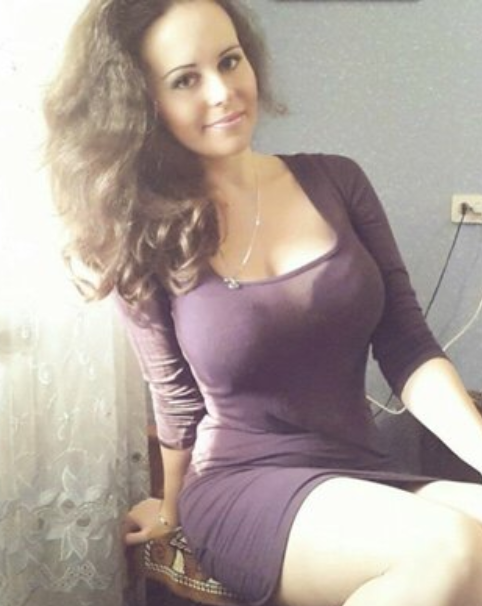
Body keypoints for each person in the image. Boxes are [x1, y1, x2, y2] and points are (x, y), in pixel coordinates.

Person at [43, 1, 482, 605]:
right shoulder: (142, 232)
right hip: (243, 485)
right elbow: (176, 402)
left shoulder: (338, 182)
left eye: (229, 61)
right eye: (185, 79)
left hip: (360, 469)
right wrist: (170, 509)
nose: (222, 92)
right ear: (144, 103)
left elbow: (408, 345)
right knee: (451, 547)